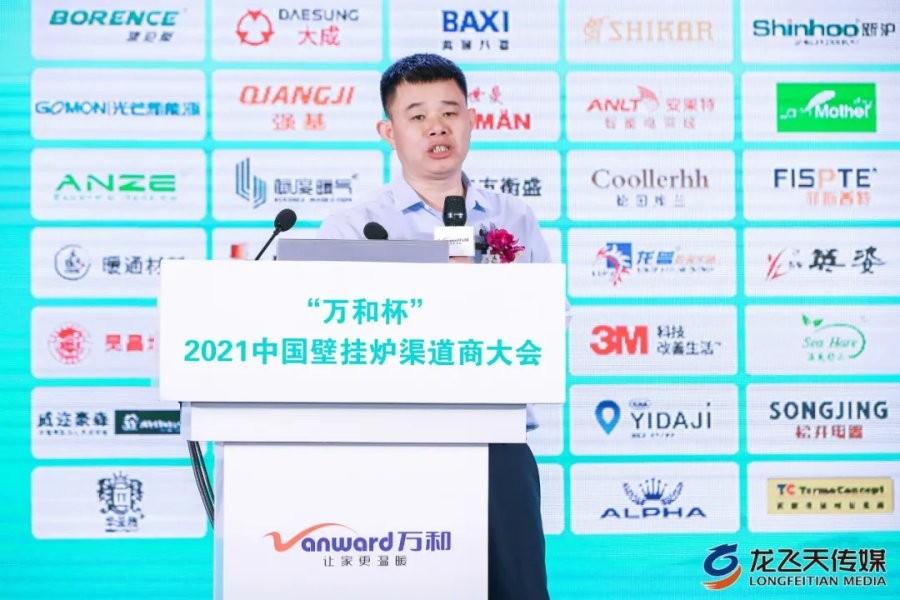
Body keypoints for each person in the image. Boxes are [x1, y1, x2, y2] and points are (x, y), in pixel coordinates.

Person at [317, 53, 551, 600]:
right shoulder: (354, 225)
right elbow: (331, 334)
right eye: (417, 115)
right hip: (392, 441)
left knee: (516, 586)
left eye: (450, 112)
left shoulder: (512, 218)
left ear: (471, 121)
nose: (437, 127)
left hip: (496, 438)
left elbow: (549, 320)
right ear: (388, 132)